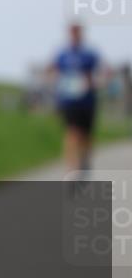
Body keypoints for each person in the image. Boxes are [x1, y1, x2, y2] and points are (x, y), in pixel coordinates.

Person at [47, 23, 105, 173]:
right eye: (72, 32)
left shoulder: (90, 54)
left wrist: (95, 82)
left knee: (86, 135)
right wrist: (55, 80)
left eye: (77, 32)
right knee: (71, 132)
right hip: (69, 100)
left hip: (87, 101)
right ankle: (71, 167)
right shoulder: (62, 54)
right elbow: (51, 70)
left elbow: (105, 72)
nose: (74, 35)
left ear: (81, 34)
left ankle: (85, 161)